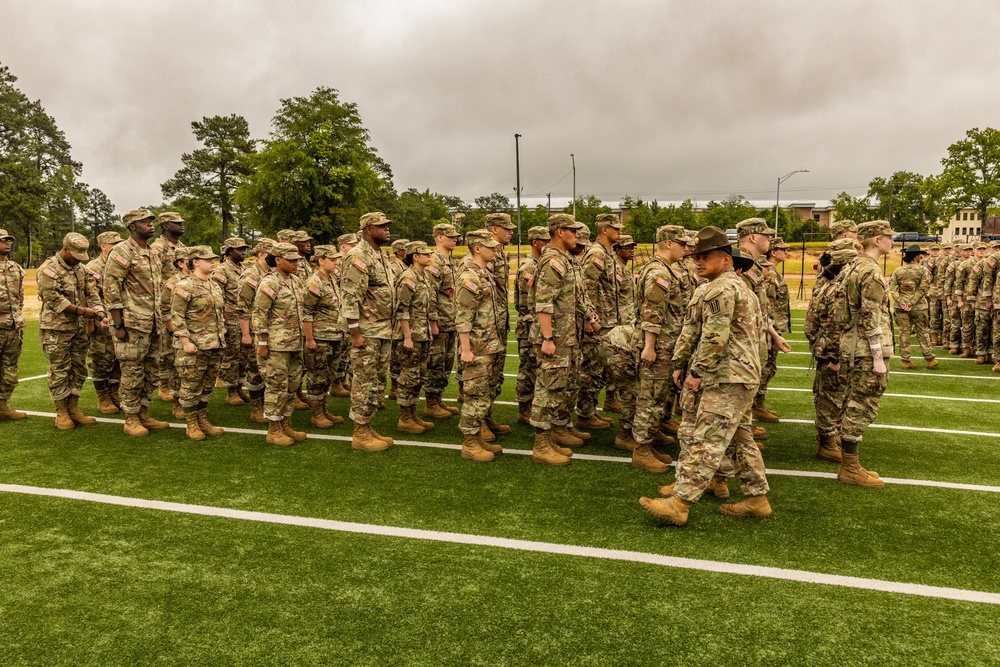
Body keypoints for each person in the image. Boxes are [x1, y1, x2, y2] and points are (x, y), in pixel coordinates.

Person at [640, 226, 771, 526]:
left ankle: (680, 503)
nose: (698, 261)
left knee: (707, 439)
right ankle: (757, 498)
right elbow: (694, 331)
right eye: (696, 256)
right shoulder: (726, 286)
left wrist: (696, 371)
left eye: (706, 256)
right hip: (737, 374)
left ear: (726, 259)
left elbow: (714, 336)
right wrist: (680, 362)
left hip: (727, 376)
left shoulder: (722, 288)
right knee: (740, 440)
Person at [529, 213, 594, 465]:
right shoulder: (552, 261)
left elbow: (574, 297)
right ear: (559, 232)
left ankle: (552, 436)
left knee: (558, 388)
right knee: (547, 388)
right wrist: (547, 337)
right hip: (554, 337)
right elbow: (543, 302)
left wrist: (589, 317)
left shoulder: (565, 260)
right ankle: (541, 445)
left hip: (567, 336)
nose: (576, 235)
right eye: (572, 231)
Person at [836, 220, 896, 488]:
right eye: (888, 237)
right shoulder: (869, 270)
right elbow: (871, 315)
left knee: (854, 401)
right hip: (865, 347)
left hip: (853, 344)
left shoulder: (855, 265)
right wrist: (877, 356)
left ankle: (850, 464)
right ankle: (850, 467)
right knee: (862, 404)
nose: (891, 241)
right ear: (876, 240)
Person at [104, 209, 168, 437]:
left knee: (151, 372)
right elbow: (111, 288)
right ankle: (130, 418)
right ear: (132, 227)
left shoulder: (152, 252)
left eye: (151, 221)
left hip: (153, 324)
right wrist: (118, 325)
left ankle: (143, 412)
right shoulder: (121, 252)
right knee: (132, 372)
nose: (151, 225)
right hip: (131, 324)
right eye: (145, 222)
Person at [37, 232, 108, 429]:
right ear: (65, 248)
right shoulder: (49, 269)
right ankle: (61, 411)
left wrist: (101, 314)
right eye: (75, 255)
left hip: (79, 329)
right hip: (57, 329)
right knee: (60, 370)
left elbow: (92, 293)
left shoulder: (82, 270)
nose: (78, 260)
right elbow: (53, 299)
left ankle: (73, 407)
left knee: (78, 368)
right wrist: (84, 311)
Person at [632, 225, 688, 468]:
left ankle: (649, 441)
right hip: (658, 346)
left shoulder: (665, 270)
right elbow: (652, 312)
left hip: (666, 344)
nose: (685, 248)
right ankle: (641, 451)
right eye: (681, 243)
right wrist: (650, 347)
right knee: (650, 397)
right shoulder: (659, 272)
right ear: (668, 243)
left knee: (659, 397)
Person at [340, 212, 396, 451]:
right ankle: (360, 433)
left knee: (376, 381)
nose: (387, 229)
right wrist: (355, 333)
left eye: (387, 226)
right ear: (368, 230)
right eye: (381, 226)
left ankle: (368, 425)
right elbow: (350, 296)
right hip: (366, 331)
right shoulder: (358, 256)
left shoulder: (379, 255)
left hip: (382, 329)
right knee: (363, 381)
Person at [803, 238, 859, 462]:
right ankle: (826, 442)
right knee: (831, 398)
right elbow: (835, 325)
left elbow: (811, 325)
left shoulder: (826, 285)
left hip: (826, 348)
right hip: (833, 352)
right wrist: (835, 356)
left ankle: (830, 436)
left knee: (831, 395)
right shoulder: (837, 290)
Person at [455, 234, 506, 461]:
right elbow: (464, 316)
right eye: (490, 247)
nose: (495, 250)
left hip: (489, 344)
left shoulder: (484, 272)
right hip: (477, 347)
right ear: (477, 248)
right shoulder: (469, 276)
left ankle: (477, 438)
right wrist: (466, 349)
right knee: (474, 396)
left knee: (483, 395)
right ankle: (469, 443)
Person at [252, 242, 308, 447]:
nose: (296, 263)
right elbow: (259, 313)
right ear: (278, 260)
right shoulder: (270, 282)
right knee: (276, 386)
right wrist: (262, 342)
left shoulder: (295, 280)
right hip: (276, 345)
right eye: (291, 260)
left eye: (297, 260)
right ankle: (274, 430)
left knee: (292, 385)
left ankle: (286, 423)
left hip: (295, 343)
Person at [172, 246, 227, 440]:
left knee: (206, 385)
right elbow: (177, 316)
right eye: (208, 259)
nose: (213, 262)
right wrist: (185, 341)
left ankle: (202, 419)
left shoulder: (214, 285)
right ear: (195, 261)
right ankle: (191, 424)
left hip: (214, 344)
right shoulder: (185, 286)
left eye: (214, 259)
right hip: (194, 346)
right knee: (191, 385)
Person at [578, 213, 624, 430]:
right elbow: (586, 287)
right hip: (598, 322)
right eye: (616, 229)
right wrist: (589, 318)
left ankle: (591, 410)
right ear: (604, 230)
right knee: (591, 369)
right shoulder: (597, 254)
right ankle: (585, 413)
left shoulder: (608, 253)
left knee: (600, 369)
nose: (620, 232)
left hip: (608, 320)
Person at [388, 241, 438, 435]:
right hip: (411, 337)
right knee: (408, 376)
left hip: (422, 334)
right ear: (415, 256)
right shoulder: (408, 277)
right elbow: (402, 309)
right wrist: (407, 336)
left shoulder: (423, 276)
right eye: (425, 254)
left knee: (418, 376)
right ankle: (404, 418)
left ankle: (413, 413)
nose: (429, 256)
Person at [302, 245, 348, 429]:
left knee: (328, 375)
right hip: (320, 337)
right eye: (332, 259)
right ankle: (316, 414)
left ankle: (323, 409)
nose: (336, 262)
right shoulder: (314, 282)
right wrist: (309, 339)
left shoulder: (332, 279)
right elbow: (306, 312)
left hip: (335, 335)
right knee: (317, 376)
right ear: (321, 260)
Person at [483, 213, 516, 440]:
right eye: (507, 228)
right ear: (494, 229)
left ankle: (486, 416)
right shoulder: (484, 252)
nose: (511, 232)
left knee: (495, 374)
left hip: (499, 320)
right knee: (483, 375)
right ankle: (478, 423)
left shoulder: (499, 253)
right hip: (485, 326)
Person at [424, 222, 461, 419]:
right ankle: (431, 402)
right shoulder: (435, 261)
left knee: (446, 362)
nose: (455, 239)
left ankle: (437, 398)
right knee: (436, 362)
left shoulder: (448, 261)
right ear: (439, 237)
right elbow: (430, 293)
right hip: (440, 321)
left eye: (455, 236)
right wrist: (432, 322)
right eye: (450, 236)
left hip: (450, 320)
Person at [237, 238, 276, 423]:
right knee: (254, 368)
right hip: (252, 329)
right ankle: (256, 408)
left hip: (267, 328)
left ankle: (266, 405)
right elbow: (243, 306)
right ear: (261, 254)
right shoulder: (251, 275)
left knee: (266, 369)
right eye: (271, 254)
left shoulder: (271, 273)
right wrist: (245, 334)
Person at [87, 230, 125, 414]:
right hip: (101, 321)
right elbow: (91, 296)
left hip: (120, 320)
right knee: (102, 359)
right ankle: (102, 397)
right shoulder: (93, 267)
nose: (118, 247)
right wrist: (100, 316)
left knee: (119, 358)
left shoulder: (120, 264)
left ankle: (113, 393)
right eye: (114, 244)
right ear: (103, 246)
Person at [514, 226, 550, 424]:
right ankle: (524, 408)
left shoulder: (540, 265)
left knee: (537, 368)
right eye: (545, 241)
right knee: (528, 369)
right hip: (529, 326)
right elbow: (526, 304)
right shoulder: (529, 268)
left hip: (535, 325)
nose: (548, 245)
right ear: (535, 242)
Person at [150, 211, 187, 402]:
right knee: (165, 348)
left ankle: (175, 384)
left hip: (181, 302)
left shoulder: (182, 247)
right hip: (165, 303)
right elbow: (154, 277)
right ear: (165, 226)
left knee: (176, 347)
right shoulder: (158, 248)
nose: (182, 225)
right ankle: (164, 384)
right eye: (177, 223)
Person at [889, 244, 937, 369]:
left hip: (901, 307)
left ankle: (905, 361)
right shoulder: (923, 270)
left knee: (904, 333)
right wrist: (912, 302)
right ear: (916, 257)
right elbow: (923, 289)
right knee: (923, 332)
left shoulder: (897, 271)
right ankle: (930, 359)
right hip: (918, 307)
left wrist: (902, 302)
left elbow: (893, 289)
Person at [215, 237, 250, 406]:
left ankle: (239, 387)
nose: (243, 252)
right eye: (239, 249)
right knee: (231, 355)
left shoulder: (244, 269)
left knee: (243, 355)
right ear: (229, 252)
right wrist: (221, 322)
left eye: (244, 249)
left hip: (242, 318)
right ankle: (230, 390)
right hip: (229, 318)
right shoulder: (222, 270)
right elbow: (216, 296)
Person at [159, 247, 194, 419]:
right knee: (177, 368)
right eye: (189, 259)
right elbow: (164, 307)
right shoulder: (173, 283)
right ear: (181, 263)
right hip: (176, 331)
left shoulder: (196, 280)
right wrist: (173, 329)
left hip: (193, 331)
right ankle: (177, 403)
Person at [0, 228, 26, 422]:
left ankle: (2, 405)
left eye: (9, 240)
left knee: (10, 369)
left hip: (12, 327)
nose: (7, 243)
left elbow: (20, 297)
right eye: (3, 240)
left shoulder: (15, 268)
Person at [386, 237, 410, 400]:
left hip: (403, 314)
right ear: (400, 251)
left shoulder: (406, 266)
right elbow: (393, 291)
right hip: (396, 313)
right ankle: (394, 386)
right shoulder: (395, 266)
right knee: (396, 350)